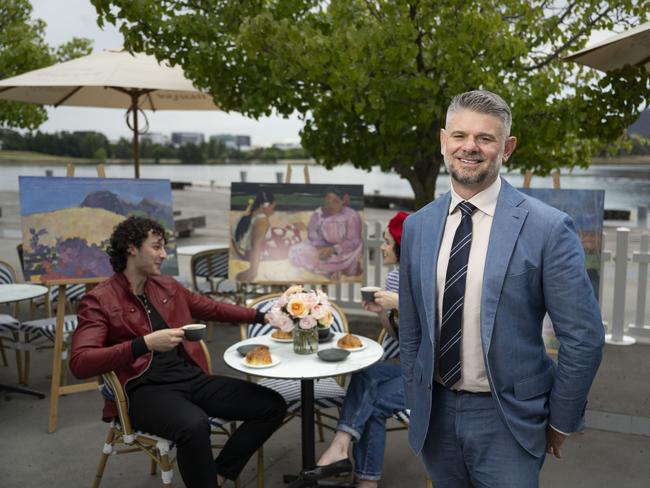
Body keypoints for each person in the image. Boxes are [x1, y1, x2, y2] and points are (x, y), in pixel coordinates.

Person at [399, 90, 604, 487]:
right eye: (459, 136)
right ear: (444, 141)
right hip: (434, 416)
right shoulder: (417, 226)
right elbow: (412, 330)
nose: (469, 147)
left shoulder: (548, 228)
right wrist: (414, 396)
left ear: (507, 148)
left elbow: (584, 338)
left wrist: (562, 418)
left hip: (508, 420)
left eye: (485, 138)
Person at [70, 216, 287, 488]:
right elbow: (80, 363)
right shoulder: (100, 299)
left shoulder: (167, 286)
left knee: (272, 405)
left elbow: (212, 308)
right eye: (157, 247)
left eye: (164, 247)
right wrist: (145, 343)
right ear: (131, 247)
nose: (163, 254)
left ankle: (218, 475)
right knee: (194, 425)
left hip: (190, 379)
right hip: (142, 392)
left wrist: (262, 316)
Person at [301, 211, 409, 487]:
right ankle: (349, 460)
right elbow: (399, 332)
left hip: (433, 377)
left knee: (370, 405)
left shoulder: (432, 279)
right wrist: (381, 312)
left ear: (402, 246)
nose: (383, 247)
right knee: (364, 373)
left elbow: (440, 331)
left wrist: (400, 302)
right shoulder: (395, 278)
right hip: (405, 366)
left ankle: (356, 469)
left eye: (387, 242)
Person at [288, 188, 363, 280]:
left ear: (343, 201)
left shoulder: (351, 215)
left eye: (335, 201)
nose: (330, 205)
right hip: (322, 246)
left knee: (337, 259)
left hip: (344, 249)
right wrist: (320, 248)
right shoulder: (319, 213)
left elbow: (353, 240)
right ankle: (326, 271)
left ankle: (334, 269)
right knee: (297, 250)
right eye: (327, 201)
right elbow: (313, 233)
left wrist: (333, 249)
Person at [233, 190, 277, 282]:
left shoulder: (249, 215)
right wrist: (253, 270)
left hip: (246, 251)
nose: (273, 212)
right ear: (265, 206)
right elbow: (256, 246)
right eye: (272, 208)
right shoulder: (262, 221)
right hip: (257, 255)